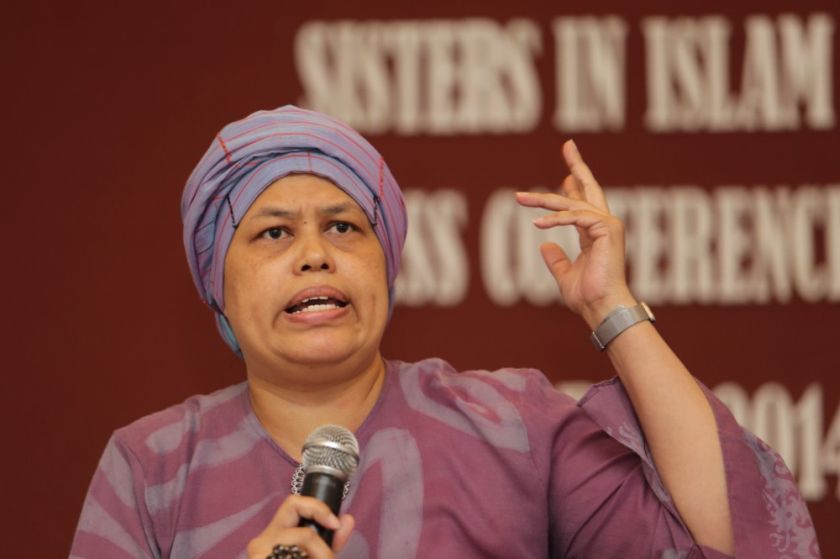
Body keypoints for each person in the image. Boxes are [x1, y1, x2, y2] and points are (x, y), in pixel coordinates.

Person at [70, 106, 820, 559]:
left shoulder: (510, 427)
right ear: (218, 289)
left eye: (343, 226)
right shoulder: (152, 467)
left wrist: (612, 309)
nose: (314, 253)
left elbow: (723, 538)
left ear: (386, 267)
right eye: (271, 233)